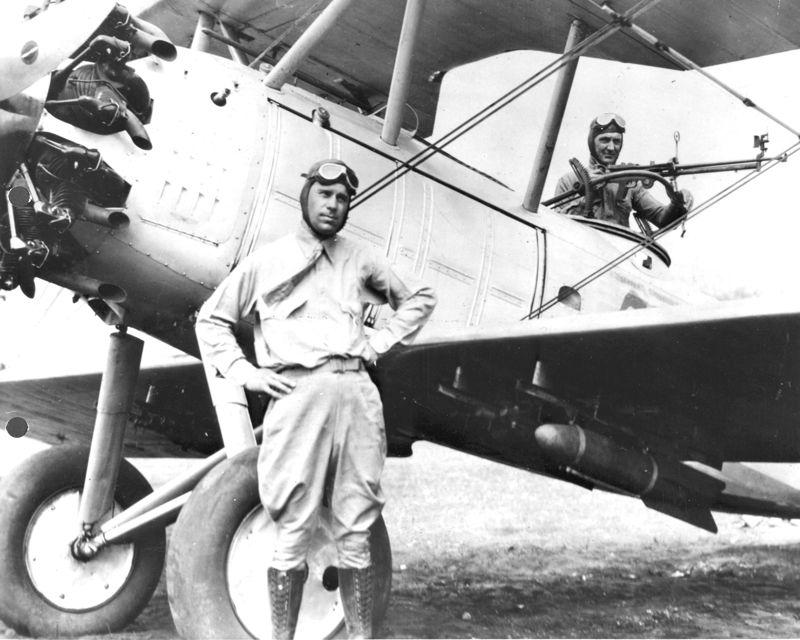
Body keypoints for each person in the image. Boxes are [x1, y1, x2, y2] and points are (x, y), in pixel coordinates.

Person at [195, 159, 436, 639]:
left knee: (356, 523)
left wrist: (380, 343)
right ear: (306, 198)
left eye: (343, 198)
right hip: (297, 394)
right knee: (292, 525)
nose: (333, 205)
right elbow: (212, 320)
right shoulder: (268, 261)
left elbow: (419, 298)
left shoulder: (360, 260)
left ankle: (360, 636)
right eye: (325, 195)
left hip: (356, 394)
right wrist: (247, 373)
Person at [553, 113, 693, 228]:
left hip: (618, 254)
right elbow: (559, 227)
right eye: (605, 140)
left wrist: (677, 202)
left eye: (616, 141)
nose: (611, 147)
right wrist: (588, 188)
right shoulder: (569, 181)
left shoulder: (630, 184)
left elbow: (662, 219)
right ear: (592, 142)